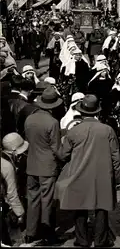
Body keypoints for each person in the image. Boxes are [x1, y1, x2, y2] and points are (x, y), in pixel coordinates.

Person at [56, 94, 120, 247]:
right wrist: (118, 177)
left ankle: (82, 239)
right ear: (97, 112)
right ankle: (101, 240)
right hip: (103, 175)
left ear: (81, 112)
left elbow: (63, 155)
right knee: (102, 207)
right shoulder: (107, 130)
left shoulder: (74, 131)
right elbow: (116, 156)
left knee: (79, 207)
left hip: (79, 173)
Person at [24, 87, 64, 245]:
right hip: (47, 166)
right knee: (47, 201)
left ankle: (30, 232)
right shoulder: (52, 122)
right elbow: (56, 148)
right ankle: (48, 233)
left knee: (32, 199)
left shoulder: (30, 118)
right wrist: (65, 158)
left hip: (32, 163)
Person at [1, 134, 28, 247]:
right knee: (15, 237)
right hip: (4, 206)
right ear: (14, 151)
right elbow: (11, 194)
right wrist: (20, 213)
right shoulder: (7, 166)